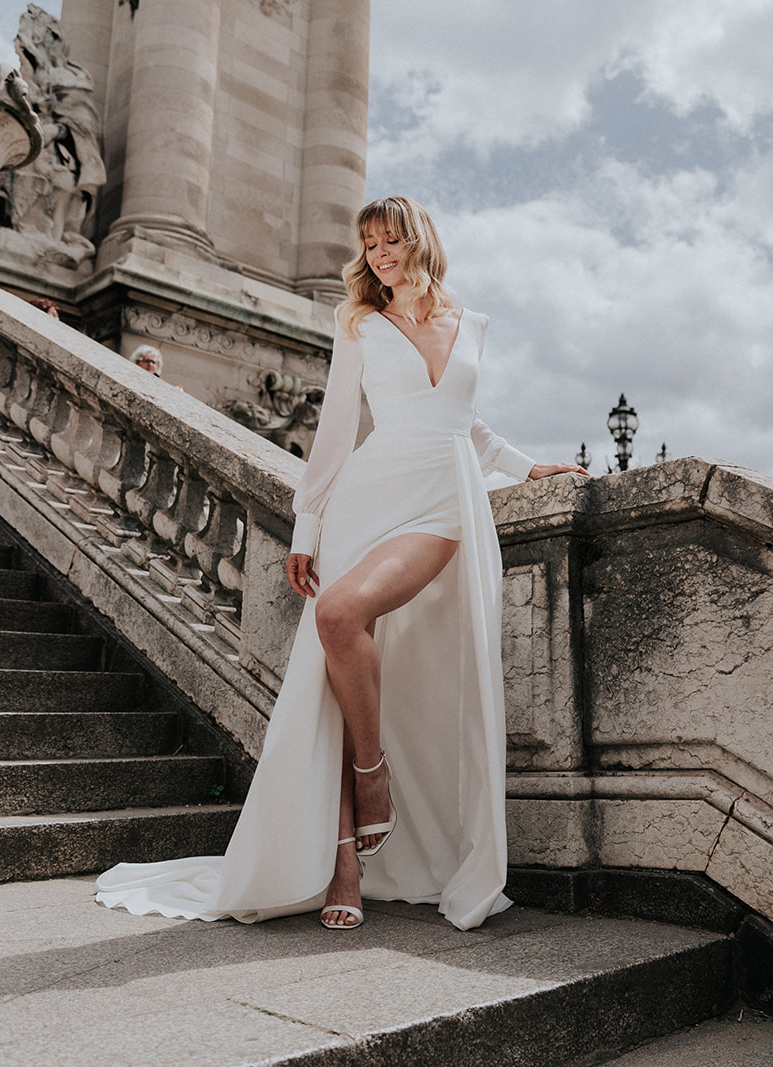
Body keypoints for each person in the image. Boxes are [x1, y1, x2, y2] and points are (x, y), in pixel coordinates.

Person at [95, 196, 586, 931]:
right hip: (369, 494)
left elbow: (465, 424)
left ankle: (372, 777)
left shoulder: (470, 323)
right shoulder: (355, 320)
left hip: (443, 502)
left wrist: (527, 469)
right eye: (370, 244)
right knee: (332, 648)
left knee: (339, 614)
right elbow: (333, 432)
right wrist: (307, 524)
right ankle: (347, 852)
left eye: (391, 239)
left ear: (418, 240)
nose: (380, 253)